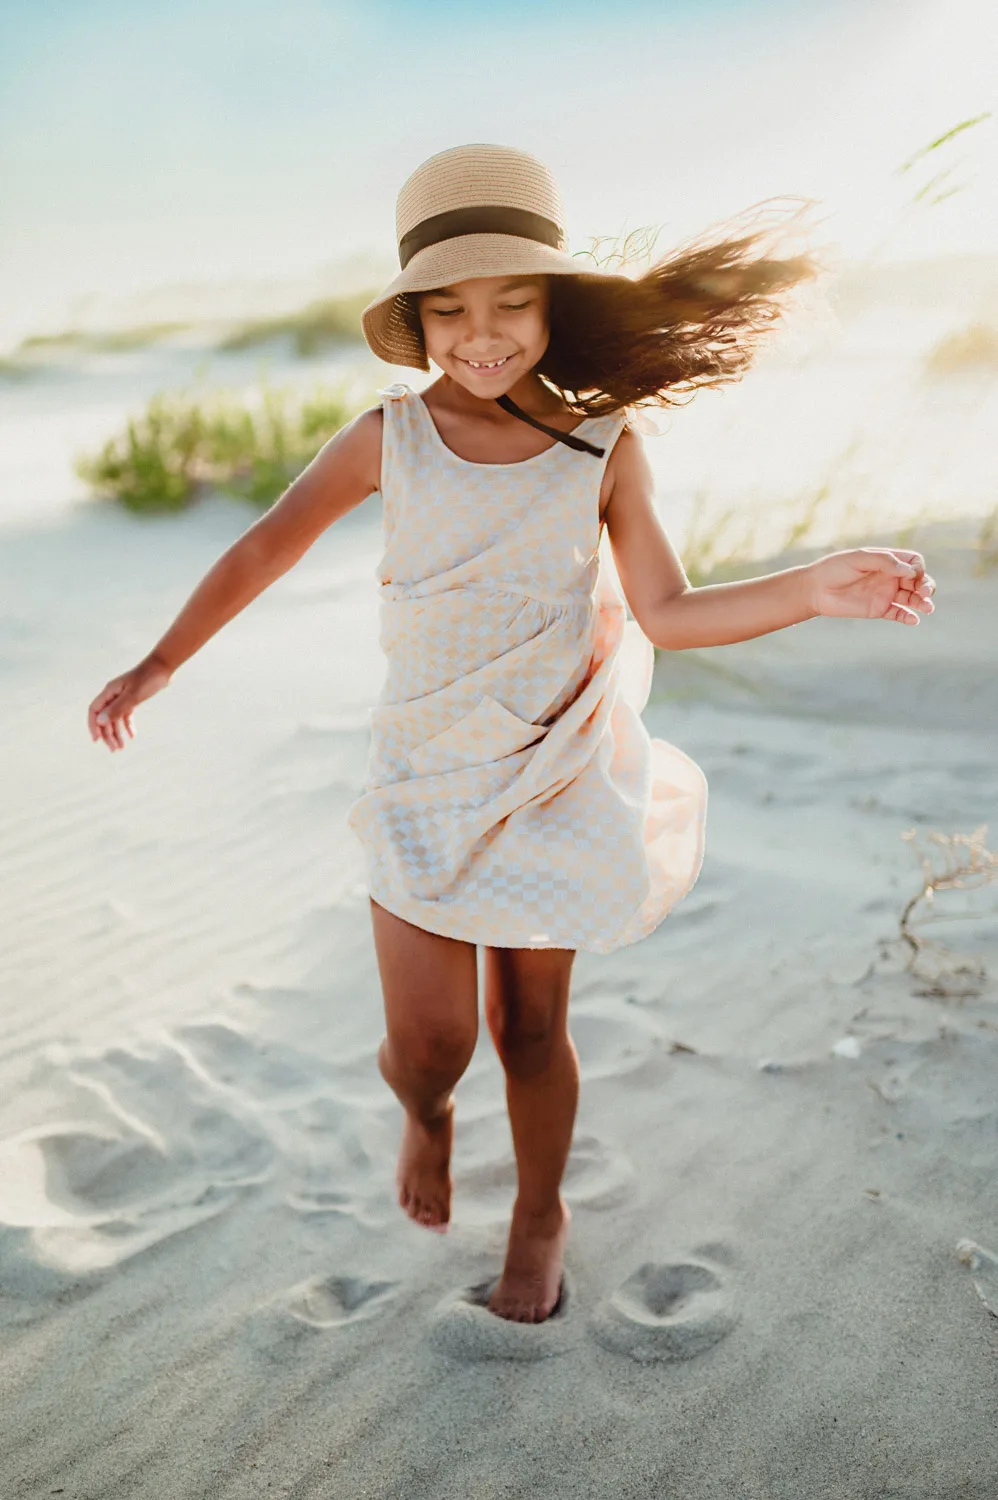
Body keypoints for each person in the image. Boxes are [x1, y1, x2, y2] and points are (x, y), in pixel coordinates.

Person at [87, 143, 936, 1325]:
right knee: (430, 1046)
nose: (479, 336)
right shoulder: (387, 437)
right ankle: (426, 1121)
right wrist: (160, 660)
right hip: (422, 777)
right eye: (448, 312)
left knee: (528, 1026)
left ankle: (540, 1211)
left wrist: (812, 585)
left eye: (510, 305)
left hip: (552, 771)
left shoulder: (603, 449)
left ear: (552, 305)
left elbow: (670, 614)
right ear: (416, 319)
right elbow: (262, 546)